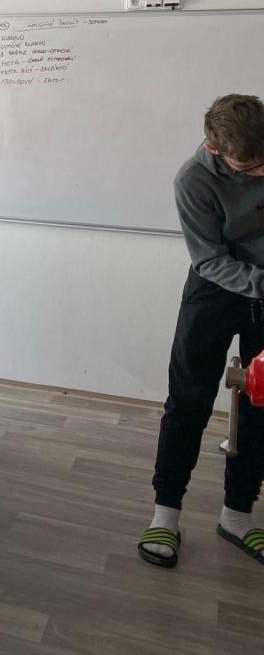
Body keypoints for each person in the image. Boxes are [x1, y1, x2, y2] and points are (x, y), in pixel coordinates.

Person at [139, 94, 264, 569]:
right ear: (216, 149)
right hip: (214, 290)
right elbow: (209, 259)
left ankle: (238, 515)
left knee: (260, 406)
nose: (261, 172)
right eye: (249, 168)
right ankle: (165, 513)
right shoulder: (192, 179)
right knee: (188, 402)